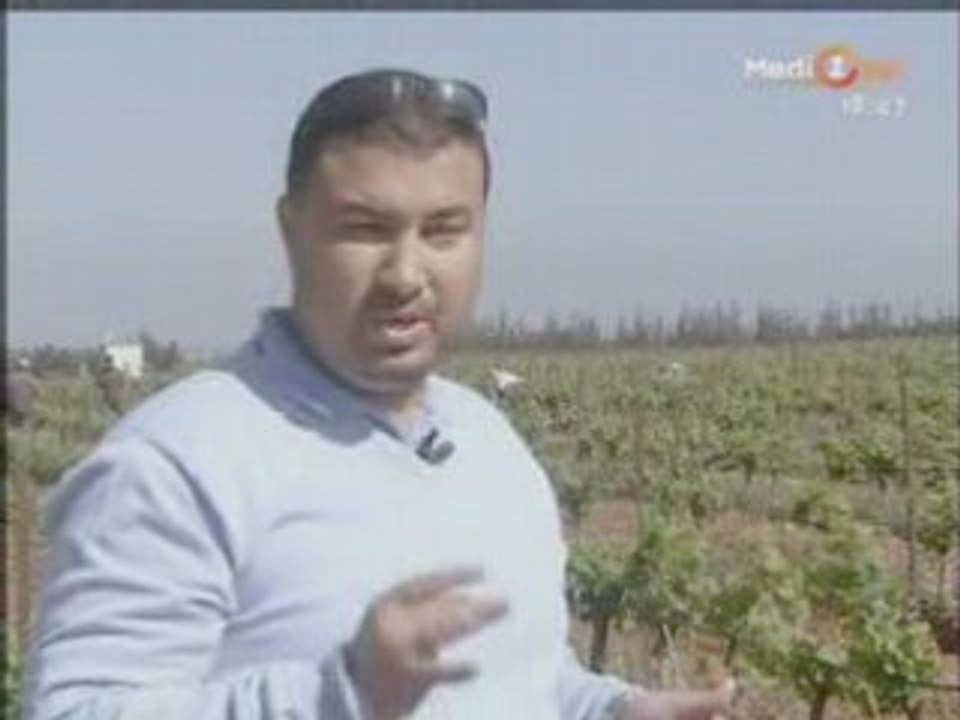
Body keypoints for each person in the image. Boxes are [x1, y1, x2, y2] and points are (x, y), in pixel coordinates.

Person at [22, 68, 735, 720]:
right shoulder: (177, 462)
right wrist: (344, 693)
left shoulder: (490, 442)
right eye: (365, 230)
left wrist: (607, 709)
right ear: (290, 230)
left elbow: (522, 677)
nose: (405, 272)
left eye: (444, 231)